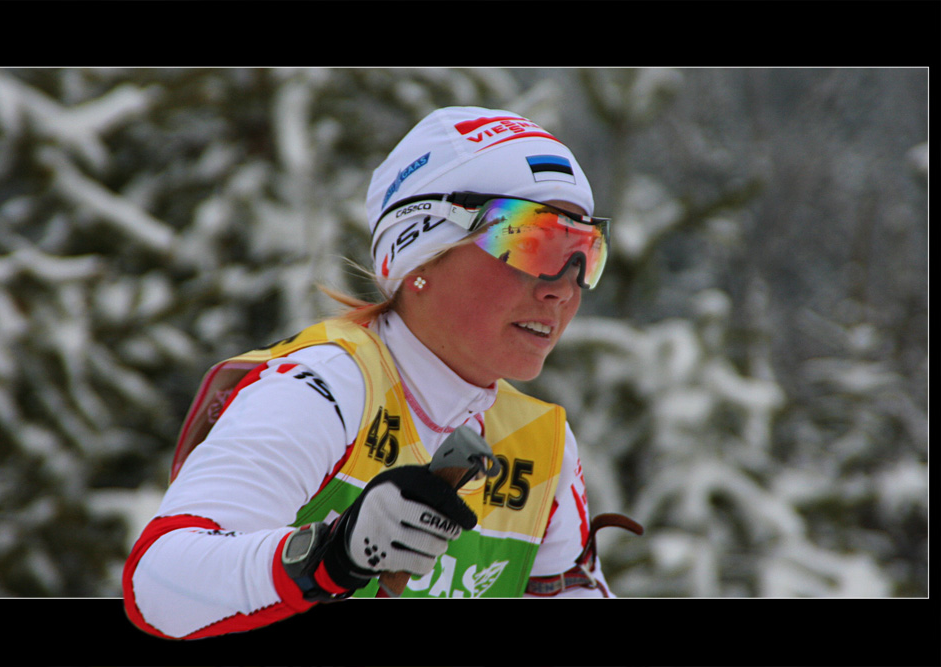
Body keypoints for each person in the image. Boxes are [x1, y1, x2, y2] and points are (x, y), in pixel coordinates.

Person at [123, 106, 642, 640]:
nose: (564, 288)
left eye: (584, 251)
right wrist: (332, 555)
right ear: (420, 255)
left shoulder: (540, 445)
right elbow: (158, 586)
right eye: (533, 244)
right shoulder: (325, 387)